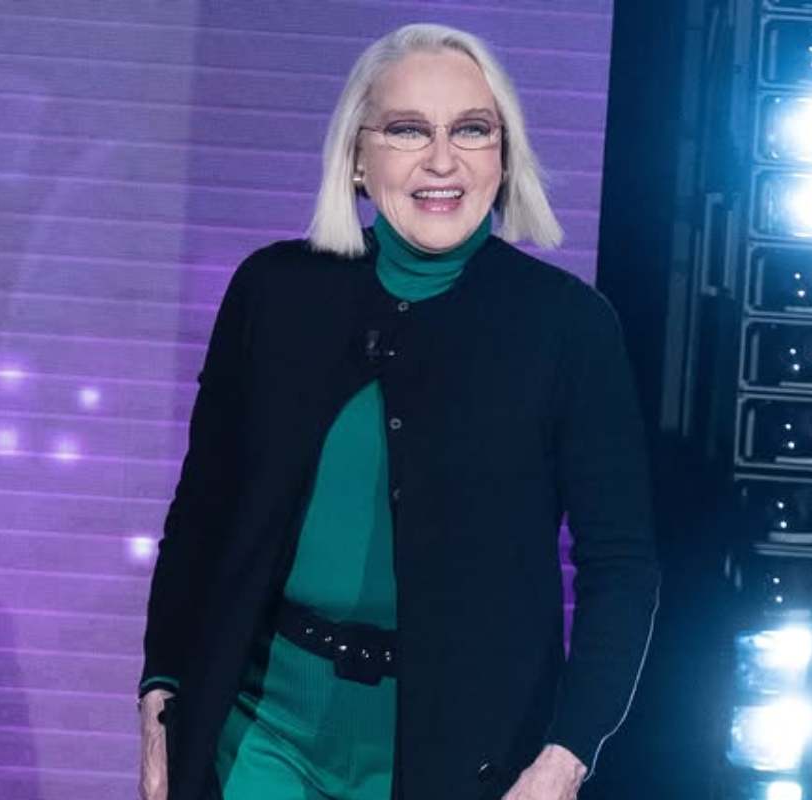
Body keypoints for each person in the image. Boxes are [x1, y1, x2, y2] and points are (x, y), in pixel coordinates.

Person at [138, 23, 659, 800]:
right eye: (409, 130)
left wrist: (566, 754)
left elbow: (621, 564)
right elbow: (202, 514)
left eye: (472, 130)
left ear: (504, 155)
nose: (442, 161)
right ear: (357, 155)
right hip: (264, 728)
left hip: (462, 749)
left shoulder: (567, 328)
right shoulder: (274, 293)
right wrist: (162, 691)